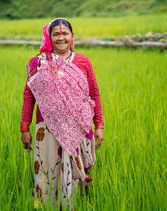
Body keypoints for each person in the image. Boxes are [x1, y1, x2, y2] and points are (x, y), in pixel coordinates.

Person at [20, 18, 104, 208]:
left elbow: (94, 92)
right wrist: (24, 127)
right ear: (49, 37)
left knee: (74, 176)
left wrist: (99, 125)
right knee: (47, 172)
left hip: (77, 129)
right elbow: (28, 95)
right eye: (56, 34)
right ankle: (46, 206)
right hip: (47, 130)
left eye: (65, 33)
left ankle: (73, 205)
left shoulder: (83, 61)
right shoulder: (38, 63)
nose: (61, 38)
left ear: (72, 36)